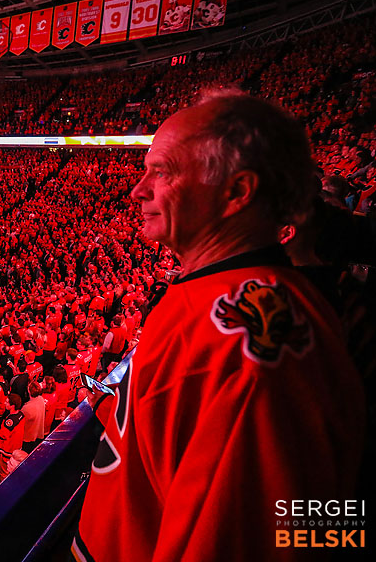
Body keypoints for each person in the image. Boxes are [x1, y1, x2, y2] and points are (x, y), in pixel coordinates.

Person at [75, 92, 366, 561]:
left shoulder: (244, 348)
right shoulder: (222, 300)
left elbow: (263, 537)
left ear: (236, 192)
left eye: (163, 171)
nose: (138, 190)